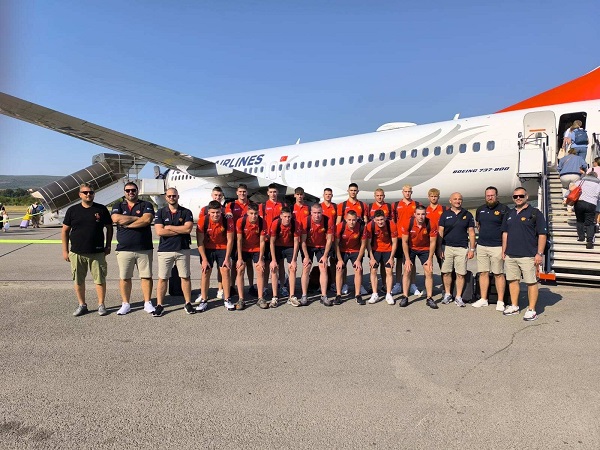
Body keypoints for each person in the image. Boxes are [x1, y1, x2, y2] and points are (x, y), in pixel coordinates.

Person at [61, 183, 113, 317]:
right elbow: (65, 231)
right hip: (77, 252)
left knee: (100, 279)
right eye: (85, 192)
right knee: (78, 280)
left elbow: (109, 227)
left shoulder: (101, 209)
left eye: (91, 192)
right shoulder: (72, 210)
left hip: (97, 252)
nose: (88, 194)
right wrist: (65, 251)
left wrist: (108, 245)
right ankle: (82, 305)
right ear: (80, 195)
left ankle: (101, 304)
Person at [501, 187, 547, 321]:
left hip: (528, 255)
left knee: (531, 282)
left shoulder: (535, 213)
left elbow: (542, 234)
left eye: (521, 196)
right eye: (515, 196)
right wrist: (504, 250)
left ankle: (532, 310)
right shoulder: (509, 213)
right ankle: (514, 306)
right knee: (513, 281)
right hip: (511, 255)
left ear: (526, 197)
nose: (518, 198)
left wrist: (539, 253)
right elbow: (505, 233)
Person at [110, 182, 155, 315]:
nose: (131, 192)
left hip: (144, 248)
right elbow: (116, 219)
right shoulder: (118, 205)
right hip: (124, 249)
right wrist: (136, 218)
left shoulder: (146, 204)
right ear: (124, 192)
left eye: (133, 190)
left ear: (137, 191)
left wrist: (128, 224)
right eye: (128, 190)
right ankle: (125, 304)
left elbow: (146, 220)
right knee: (125, 277)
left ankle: (147, 302)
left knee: (146, 277)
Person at [153, 188, 195, 316]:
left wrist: (170, 227)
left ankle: (188, 303)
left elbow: (187, 229)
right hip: (165, 250)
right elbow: (159, 231)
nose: (172, 198)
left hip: (182, 249)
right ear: (166, 197)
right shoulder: (160, 212)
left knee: (185, 277)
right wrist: (180, 230)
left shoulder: (186, 212)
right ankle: (159, 305)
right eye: (169, 196)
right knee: (163, 278)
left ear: (178, 196)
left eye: (174, 196)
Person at [471, 187, 508, 311]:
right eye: (488, 195)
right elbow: (479, 225)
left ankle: (500, 301)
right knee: (483, 273)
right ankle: (483, 299)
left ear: (497, 196)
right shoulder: (480, 209)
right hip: (482, 246)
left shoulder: (504, 209)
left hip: (497, 246)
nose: (490, 197)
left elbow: (506, 230)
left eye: (492, 195)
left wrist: (504, 248)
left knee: (498, 274)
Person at [438, 192, 476, 307]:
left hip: (461, 248)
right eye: (455, 199)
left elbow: (471, 232)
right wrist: (439, 248)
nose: (457, 201)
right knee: (446, 272)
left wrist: (472, 249)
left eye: (459, 199)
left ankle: (458, 297)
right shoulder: (445, 214)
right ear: (450, 201)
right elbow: (440, 232)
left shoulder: (467, 214)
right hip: (447, 247)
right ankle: (448, 294)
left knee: (461, 273)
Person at [196, 200, 235, 311]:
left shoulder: (227, 220)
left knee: (225, 271)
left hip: (223, 248)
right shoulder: (203, 220)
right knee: (205, 271)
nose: (215, 215)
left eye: (217, 212)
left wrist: (227, 258)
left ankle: (227, 299)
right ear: (208, 212)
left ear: (221, 211)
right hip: (207, 248)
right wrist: (204, 259)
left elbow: (230, 240)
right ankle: (204, 299)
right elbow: (199, 242)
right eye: (213, 212)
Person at [400, 205, 438, 309]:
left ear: (426, 214)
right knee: (407, 270)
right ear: (414, 215)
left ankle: (429, 298)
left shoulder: (431, 223)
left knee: (429, 271)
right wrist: (407, 259)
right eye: (418, 214)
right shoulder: (408, 223)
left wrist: (430, 259)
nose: (421, 216)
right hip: (411, 248)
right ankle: (405, 296)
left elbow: (433, 242)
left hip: (425, 249)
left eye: (423, 214)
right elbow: (404, 242)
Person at [300, 204, 334, 306]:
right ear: (311, 213)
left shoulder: (327, 221)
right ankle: (304, 295)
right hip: (308, 246)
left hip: (322, 246)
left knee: (323, 267)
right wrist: (306, 257)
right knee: (306, 267)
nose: (317, 215)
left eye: (319, 213)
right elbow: (303, 241)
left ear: (322, 213)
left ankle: (324, 296)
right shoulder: (306, 221)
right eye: (314, 213)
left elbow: (329, 240)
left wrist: (325, 256)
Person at [235, 203, 268, 309]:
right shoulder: (241, 221)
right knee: (240, 269)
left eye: (256, 213)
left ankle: (260, 298)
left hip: (257, 249)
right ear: (247, 213)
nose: (254, 216)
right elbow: (239, 240)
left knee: (260, 269)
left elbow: (262, 241)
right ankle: (241, 299)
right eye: (251, 213)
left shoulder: (262, 222)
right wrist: (239, 258)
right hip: (244, 249)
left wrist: (261, 259)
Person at [226, 184, 256, 295]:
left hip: (248, 238)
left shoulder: (251, 205)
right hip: (235, 238)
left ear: (247, 192)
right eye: (240, 191)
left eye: (244, 191)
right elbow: (227, 213)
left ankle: (251, 286)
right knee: (236, 263)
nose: (242, 193)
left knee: (249, 263)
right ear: (237, 193)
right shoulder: (231, 205)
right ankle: (232, 286)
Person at [392, 185, 421, 296]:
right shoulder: (396, 205)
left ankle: (413, 285)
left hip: (412, 237)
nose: (407, 193)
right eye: (406, 191)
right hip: (400, 237)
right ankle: (398, 284)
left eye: (409, 191)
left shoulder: (416, 204)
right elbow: (394, 220)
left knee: (411, 262)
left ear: (411, 192)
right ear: (402, 192)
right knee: (400, 261)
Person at [199, 186, 227, 299]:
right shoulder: (204, 210)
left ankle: (221, 289)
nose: (217, 197)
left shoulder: (226, 210)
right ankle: (203, 294)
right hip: (208, 245)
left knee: (222, 269)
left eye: (219, 195)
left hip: (222, 245)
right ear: (212, 195)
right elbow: (201, 226)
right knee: (205, 270)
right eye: (215, 195)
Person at [364, 209, 398, 305]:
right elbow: (368, 243)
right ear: (374, 219)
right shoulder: (370, 225)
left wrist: (392, 258)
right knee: (373, 270)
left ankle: (388, 294)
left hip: (388, 249)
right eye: (378, 220)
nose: (380, 222)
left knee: (389, 271)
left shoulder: (391, 225)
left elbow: (395, 242)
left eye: (382, 219)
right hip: (375, 250)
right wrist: (371, 258)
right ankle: (375, 294)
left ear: (385, 218)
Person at [269, 207, 301, 307]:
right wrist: (273, 260)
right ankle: (275, 297)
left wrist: (294, 260)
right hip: (277, 246)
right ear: (281, 216)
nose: (287, 219)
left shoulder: (295, 224)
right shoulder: (276, 223)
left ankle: (292, 296)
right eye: (285, 216)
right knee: (274, 268)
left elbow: (296, 242)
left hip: (289, 246)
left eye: (289, 217)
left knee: (292, 268)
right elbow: (271, 242)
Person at [334, 210, 367, 305]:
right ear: (345, 219)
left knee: (358, 269)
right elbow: (336, 244)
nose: (351, 222)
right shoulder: (340, 226)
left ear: (356, 219)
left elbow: (363, 245)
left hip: (355, 250)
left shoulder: (361, 227)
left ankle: (357, 295)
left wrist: (358, 260)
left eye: (353, 220)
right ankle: (338, 295)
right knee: (339, 269)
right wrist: (339, 260)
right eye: (349, 220)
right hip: (342, 250)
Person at [573, 171, 600, 249]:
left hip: (579, 203)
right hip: (591, 204)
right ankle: (589, 241)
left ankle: (581, 237)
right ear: (595, 177)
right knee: (590, 223)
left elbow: (571, 188)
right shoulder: (598, 185)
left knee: (580, 220)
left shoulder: (581, 182)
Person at [425, 188, 445, 269]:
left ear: (438, 197)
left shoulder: (444, 209)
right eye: (432, 196)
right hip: (428, 240)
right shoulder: (425, 210)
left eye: (435, 196)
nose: (433, 198)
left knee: (443, 265)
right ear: (428, 197)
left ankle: (446, 277)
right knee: (428, 265)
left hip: (441, 239)